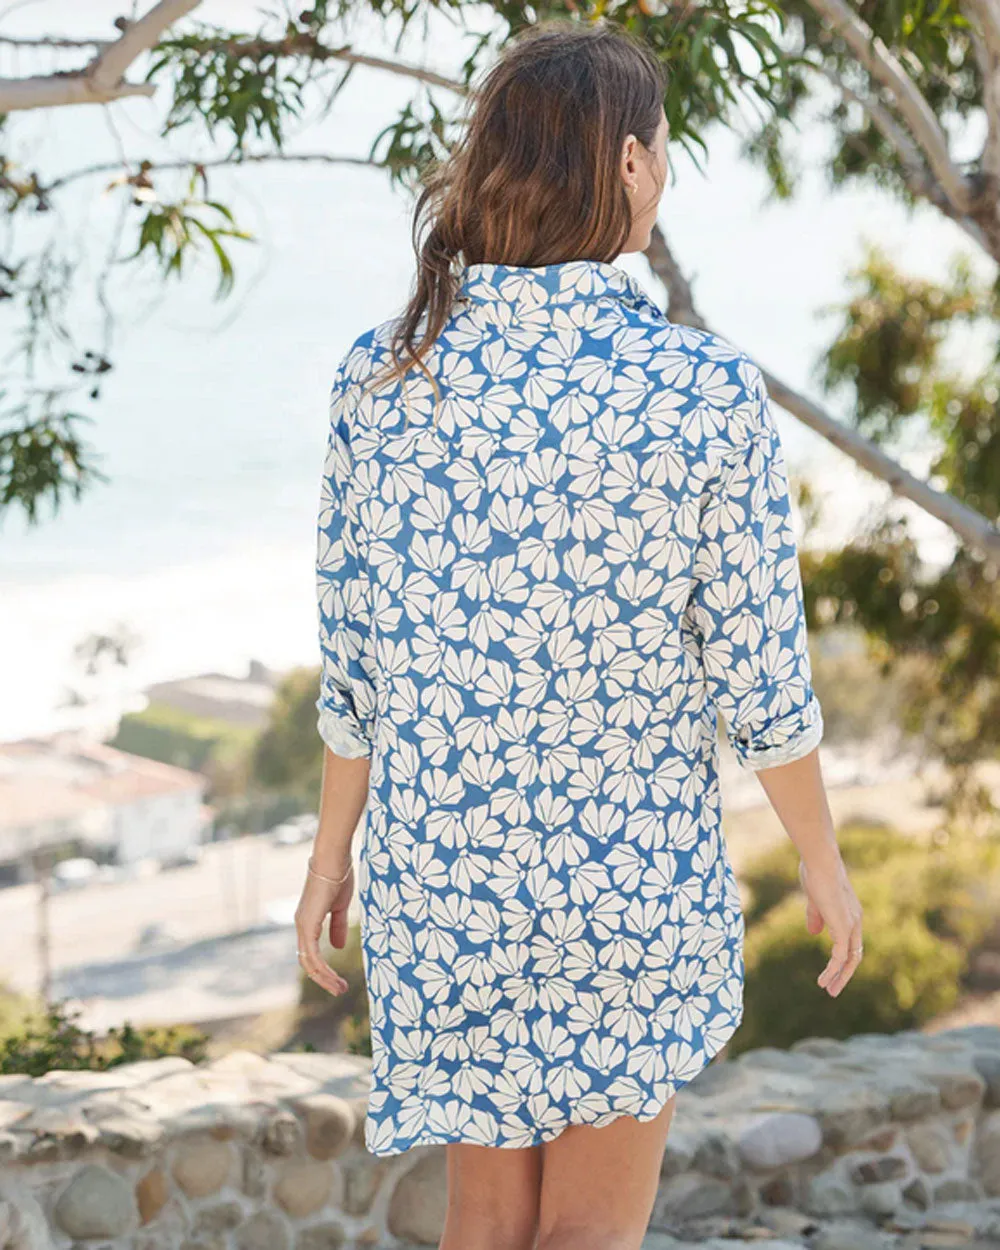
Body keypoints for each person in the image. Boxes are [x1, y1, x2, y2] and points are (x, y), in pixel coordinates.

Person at [295, 17, 863, 1250]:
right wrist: (820, 860)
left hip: (447, 879)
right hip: (626, 888)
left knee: (485, 1225)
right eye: (658, 147)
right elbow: (762, 679)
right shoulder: (703, 390)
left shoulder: (378, 379)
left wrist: (329, 852)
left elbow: (357, 664)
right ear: (626, 166)